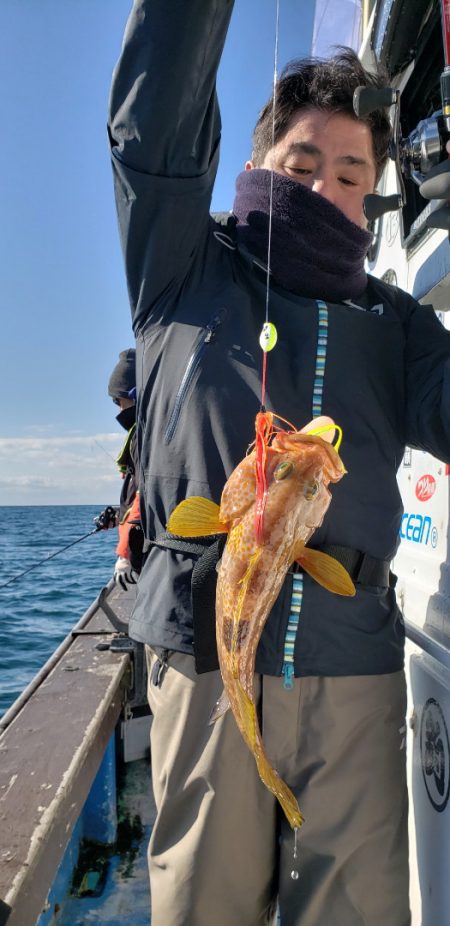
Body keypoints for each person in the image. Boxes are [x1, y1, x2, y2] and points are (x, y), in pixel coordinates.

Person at [108, 4, 450, 924]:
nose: (325, 191)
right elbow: (153, 132)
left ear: (374, 193)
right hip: (209, 668)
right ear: (255, 165)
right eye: (301, 165)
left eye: (352, 175)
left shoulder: (398, 325)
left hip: (355, 671)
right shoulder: (184, 267)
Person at [96, 348, 142, 590]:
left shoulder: (145, 437)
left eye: (118, 401)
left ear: (134, 395)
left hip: (146, 555)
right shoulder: (143, 433)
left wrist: (124, 555)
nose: (118, 408)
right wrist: (117, 515)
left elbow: (144, 501)